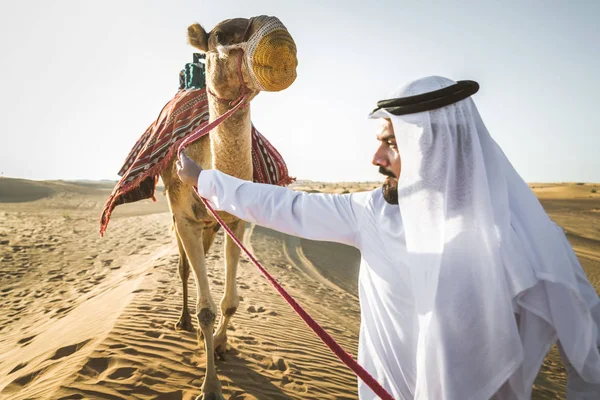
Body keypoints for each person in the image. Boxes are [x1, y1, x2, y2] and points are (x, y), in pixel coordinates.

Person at [177, 76, 600, 399]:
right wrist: (205, 180)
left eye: (392, 145)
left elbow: (589, 350)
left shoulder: (524, 240)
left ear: (436, 148)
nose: (375, 159)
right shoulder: (372, 214)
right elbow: (286, 207)